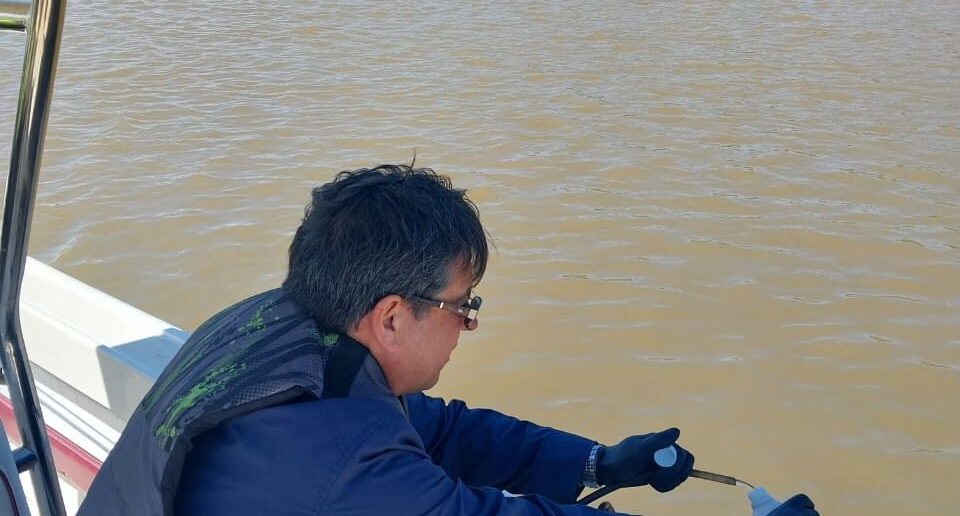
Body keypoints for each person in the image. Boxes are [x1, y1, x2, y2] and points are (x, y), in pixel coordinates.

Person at [78, 164, 818, 516]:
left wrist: (595, 461)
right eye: (463, 306)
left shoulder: (281, 326)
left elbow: (443, 431)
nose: (468, 325)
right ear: (394, 315)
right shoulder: (346, 473)